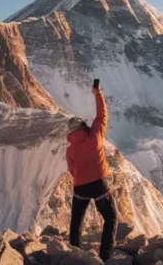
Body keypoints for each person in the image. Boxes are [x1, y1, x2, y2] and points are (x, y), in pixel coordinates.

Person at [66, 84, 117, 262]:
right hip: (98, 185)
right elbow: (102, 115)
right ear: (83, 126)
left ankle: (73, 254)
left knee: (76, 222)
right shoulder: (95, 136)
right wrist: (98, 93)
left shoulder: (70, 149)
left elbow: (71, 168)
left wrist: (81, 178)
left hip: (80, 187)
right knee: (110, 218)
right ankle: (105, 257)